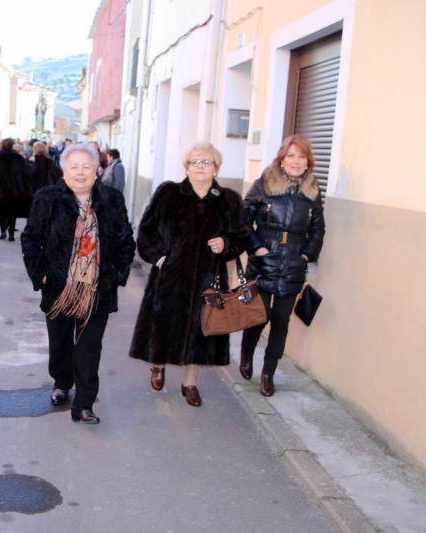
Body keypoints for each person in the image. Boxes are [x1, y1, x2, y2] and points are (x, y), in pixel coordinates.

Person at [128, 141, 251, 406]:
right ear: (186, 166)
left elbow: (242, 236)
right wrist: (159, 258)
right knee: (163, 325)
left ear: (215, 168)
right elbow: (146, 231)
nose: (200, 167)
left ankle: (190, 383)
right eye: (194, 162)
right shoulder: (169, 194)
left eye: (206, 162)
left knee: (202, 330)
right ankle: (158, 364)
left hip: (210, 278)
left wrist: (226, 244)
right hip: (171, 277)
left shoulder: (228, 200)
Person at [21, 143, 135, 424]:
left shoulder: (112, 199)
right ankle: (61, 382)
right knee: (60, 342)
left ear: (97, 170)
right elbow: (31, 239)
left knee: (88, 347)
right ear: (64, 170)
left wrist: (116, 275)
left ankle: (84, 403)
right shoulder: (47, 198)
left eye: (86, 166)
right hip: (59, 287)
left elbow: (125, 241)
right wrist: (42, 275)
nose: (80, 173)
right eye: (74, 167)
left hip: (98, 288)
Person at [240, 134, 325, 397]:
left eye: (302, 157)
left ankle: (268, 373)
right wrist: (258, 247)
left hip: (292, 264)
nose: (296, 161)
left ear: (308, 161)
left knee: (280, 320)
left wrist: (305, 255)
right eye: (291, 156)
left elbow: (318, 228)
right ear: (282, 158)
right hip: (265, 259)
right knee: (258, 314)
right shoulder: (264, 183)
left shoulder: (312, 190)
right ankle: (246, 355)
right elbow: (243, 219)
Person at [0, 138, 33, 241]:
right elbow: (27, 170)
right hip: (14, 190)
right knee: (12, 213)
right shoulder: (18, 157)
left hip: (0, 190)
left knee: (1, 212)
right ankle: (11, 234)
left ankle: (3, 232)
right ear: (12, 145)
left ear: (2, 145)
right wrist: (32, 163)